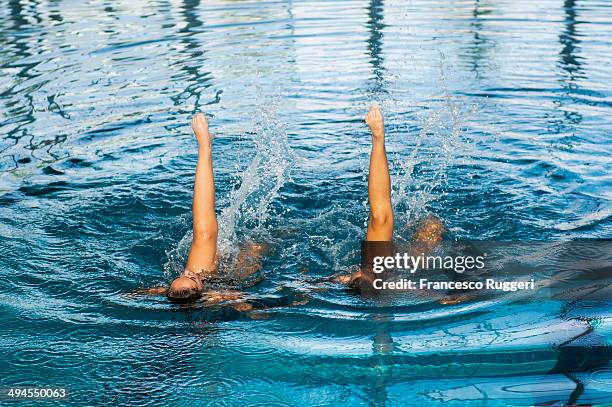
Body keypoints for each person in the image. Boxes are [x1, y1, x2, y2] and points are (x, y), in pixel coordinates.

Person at [144, 113, 267, 302]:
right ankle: (205, 147)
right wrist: (203, 144)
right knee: (247, 244)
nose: (187, 271)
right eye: (191, 277)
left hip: (216, 288)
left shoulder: (192, 290)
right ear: (202, 289)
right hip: (235, 279)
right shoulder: (226, 295)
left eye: (180, 275)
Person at [334, 104, 445, 291]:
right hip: (405, 270)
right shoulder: (405, 284)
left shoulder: (352, 278)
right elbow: (380, 217)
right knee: (432, 226)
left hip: (382, 280)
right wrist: (378, 138)